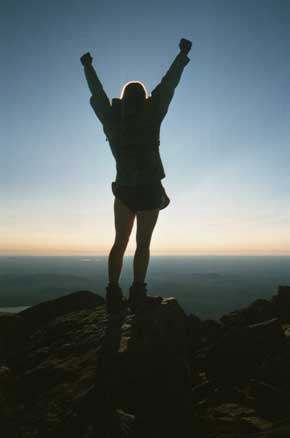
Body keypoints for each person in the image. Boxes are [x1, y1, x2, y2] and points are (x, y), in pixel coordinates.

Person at [80, 38, 192, 312]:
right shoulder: (151, 113)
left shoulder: (111, 119)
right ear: (144, 97)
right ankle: (138, 292)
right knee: (143, 244)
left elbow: (98, 94)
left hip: (125, 190)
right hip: (151, 190)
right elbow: (168, 85)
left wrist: (87, 67)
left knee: (120, 242)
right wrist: (182, 55)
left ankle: (113, 292)